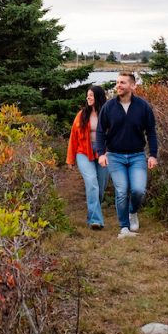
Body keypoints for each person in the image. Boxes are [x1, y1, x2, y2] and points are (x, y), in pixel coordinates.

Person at [96, 71, 158, 239]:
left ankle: (132, 212)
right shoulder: (108, 107)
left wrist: (153, 155)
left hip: (137, 156)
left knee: (138, 190)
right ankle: (124, 227)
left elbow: (151, 132)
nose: (118, 85)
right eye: (117, 82)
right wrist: (101, 154)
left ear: (132, 86)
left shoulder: (143, 107)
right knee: (122, 191)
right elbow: (101, 132)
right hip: (115, 156)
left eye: (122, 82)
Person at [66, 85, 110, 230]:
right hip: (83, 152)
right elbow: (73, 137)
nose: (88, 97)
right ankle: (96, 220)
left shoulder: (108, 113)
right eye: (87, 95)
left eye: (91, 95)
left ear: (98, 96)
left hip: (104, 153)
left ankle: (92, 214)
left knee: (100, 187)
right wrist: (70, 159)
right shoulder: (82, 115)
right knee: (92, 183)